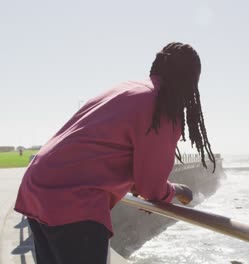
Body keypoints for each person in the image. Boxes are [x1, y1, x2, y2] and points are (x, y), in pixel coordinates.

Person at [14, 42, 216, 264]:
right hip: (75, 200)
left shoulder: (128, 88)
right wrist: (176, 190)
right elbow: (151, 187)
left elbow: (107, 150)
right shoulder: (162, 107)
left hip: (39, 188)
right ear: (190, 82)